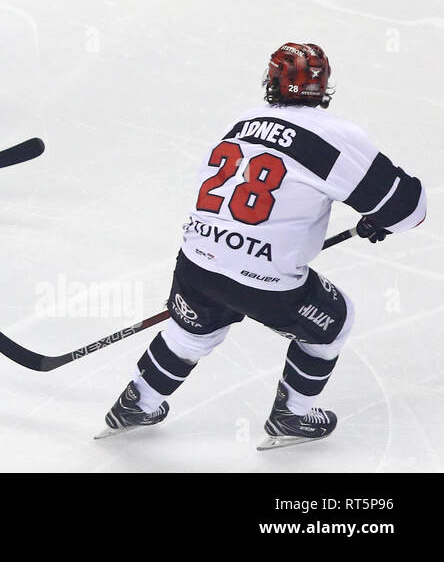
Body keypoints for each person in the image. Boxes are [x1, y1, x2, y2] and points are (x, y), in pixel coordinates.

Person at [99, 43, 426, 449]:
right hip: (266, 281)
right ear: (324, 85)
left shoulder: (242, 122)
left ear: (271, 82)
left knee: (190, 334)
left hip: (196, 262)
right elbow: (409, 212)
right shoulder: (339, 137)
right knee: (335, 320)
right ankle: (292, 415)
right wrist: (379, 217)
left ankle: (137, 402)